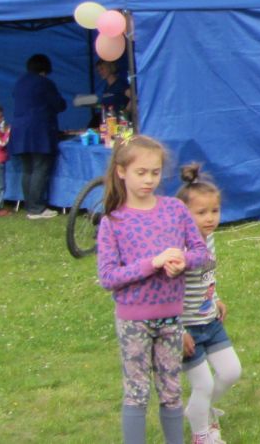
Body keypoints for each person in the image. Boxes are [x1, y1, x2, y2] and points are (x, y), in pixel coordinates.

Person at [96, 135, 212, 444]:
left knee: (171, 391)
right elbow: (108, 276)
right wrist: (152, 263)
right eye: (141, 172)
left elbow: (201, 253)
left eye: (155, 172)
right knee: (137, 393)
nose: (149, 180)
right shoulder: (113, 221)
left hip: (171, 319)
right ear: (121, 171)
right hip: (133, 321)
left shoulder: (175, 209)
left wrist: (182, 262)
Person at [176, 164, 240, 444]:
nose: (210, 218)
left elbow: (206, 276)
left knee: (231, 372)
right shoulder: (179, 249)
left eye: (215, 211)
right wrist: (178, 330)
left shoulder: (210, 238)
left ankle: (198, 411)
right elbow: (167, 293)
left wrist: (215, 298)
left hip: (210, 322)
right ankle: (201, 435)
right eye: (201, 212)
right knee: (203, 384)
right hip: (187, 329)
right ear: (183, 214)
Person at [9, 53, 67, 219]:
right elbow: (58, 104)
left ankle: (30, 206)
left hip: (19, 130)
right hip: (39, 131)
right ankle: (36, 209)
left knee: (27, 169)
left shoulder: (19, 82)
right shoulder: (45, 83)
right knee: (40, 168)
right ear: (45, 69)